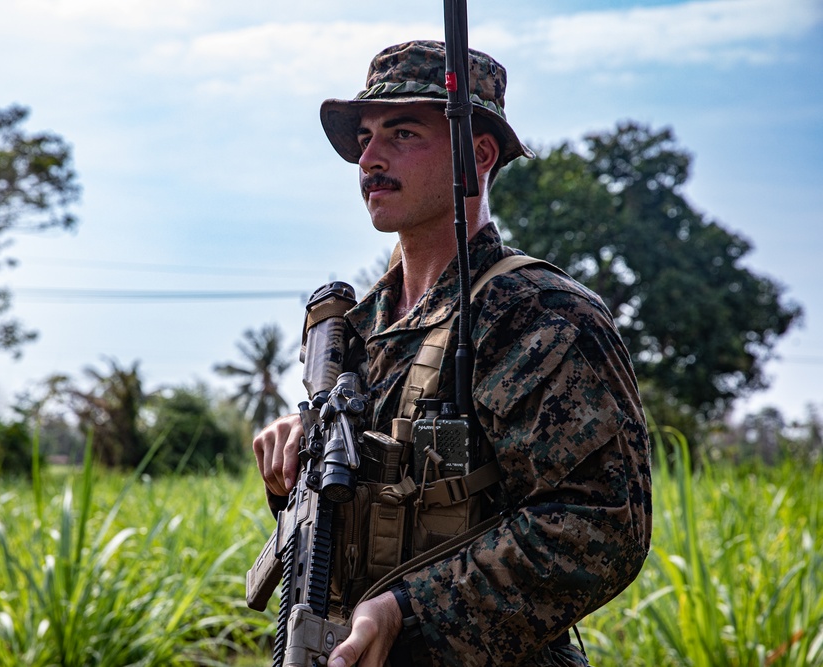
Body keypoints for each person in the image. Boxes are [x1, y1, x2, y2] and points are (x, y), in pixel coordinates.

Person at [252, 40, 652, 666]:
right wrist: (301, 456)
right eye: (364, 138)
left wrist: (408, 611)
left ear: (478, 153)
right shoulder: (361, 330)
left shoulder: (538, 316)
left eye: (402, 133)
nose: (369, 159)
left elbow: (600, 525)